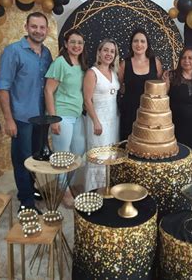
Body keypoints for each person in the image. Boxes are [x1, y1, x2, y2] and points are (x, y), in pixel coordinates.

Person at [0, 12, 52, 213]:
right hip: (21, 117)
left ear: (47, 30)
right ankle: (26, 202)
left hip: (40, 118)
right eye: (34, 26)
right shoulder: (13, 51)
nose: (38, 31)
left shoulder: (46, 54)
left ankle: (31, 189)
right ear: (26, 27)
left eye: (42, 27)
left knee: (36, 158)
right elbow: (3, 87)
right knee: (22, 160)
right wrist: (9, 119)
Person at [163, 46, 192, 172]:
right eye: (183, 57)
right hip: (174, 123)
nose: (186, 60)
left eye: (190, 58)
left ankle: (190, 185)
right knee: (175, 154)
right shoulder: (171, 76)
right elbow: (163, 99)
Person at [83, 39, 121, 190]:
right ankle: (94, 191)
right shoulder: (92, 73)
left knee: (111, 154)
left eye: (112, 51)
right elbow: (87, 100)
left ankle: (107, 189)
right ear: (99, 52)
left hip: (113, 120)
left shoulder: (114, 73)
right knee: (99, 155)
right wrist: (96, 121)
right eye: (106, 50)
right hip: (97, 119)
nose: (109, 54)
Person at [44, 28, 88, 156]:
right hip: (62, 116)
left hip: (77, 116)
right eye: (72, 42)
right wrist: (54, 119)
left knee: (78, 154)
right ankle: (60, 177)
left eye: (80, 43)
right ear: (66, 44)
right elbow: (48, 90)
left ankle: (70, 178)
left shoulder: (82, 65)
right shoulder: (60, 63)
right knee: (62, 157)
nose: (76, 46)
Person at [118, 28, 163, 141]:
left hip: (150, 114)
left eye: (142, 41)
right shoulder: (124, 64)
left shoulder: (155, 63)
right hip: (129, 112)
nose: (139, 44)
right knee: (128, 145)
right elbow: (120, 88)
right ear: (131, 44)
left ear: (147, 44)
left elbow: (160, 88)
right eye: (135, 41)